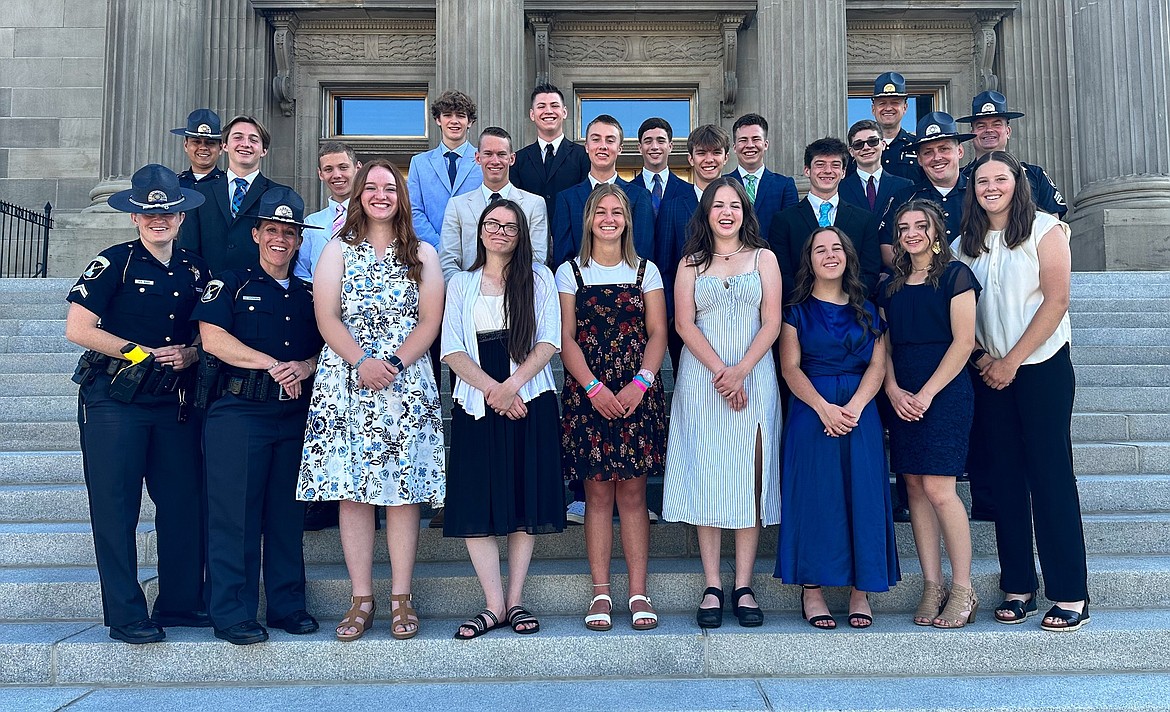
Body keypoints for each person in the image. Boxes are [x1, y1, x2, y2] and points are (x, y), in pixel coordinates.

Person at [296, 160, 446, 641]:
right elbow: (326, 316)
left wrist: (395, 365)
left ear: (401, 195)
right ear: (359, 194)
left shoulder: (422, 252)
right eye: (372, 187)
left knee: (402, 495)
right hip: (348, 380)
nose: (380, 194)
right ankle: (361, 597)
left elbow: (429, 320)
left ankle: (402, 597)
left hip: (404, 383)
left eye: (390, 187)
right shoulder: (338, 248)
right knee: (354, 492)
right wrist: (362, 361)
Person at [64, 164, 209, 644]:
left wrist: (190, 352)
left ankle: (180, 603)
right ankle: (126, 615)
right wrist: (136, 352)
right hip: (115, 402)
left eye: (166, 211)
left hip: (172, 404)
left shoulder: (194, 268)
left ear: (180, 216)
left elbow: (205, 335)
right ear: (135, 217)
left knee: (183, 503)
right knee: (116, 508)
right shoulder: (113, 262)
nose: (158, 219)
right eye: (149, 213)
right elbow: (78, 329)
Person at [955, 151, 1090, 632]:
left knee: (1051, 476)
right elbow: (959, 314)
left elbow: (1057, 300)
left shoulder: (1045, 231)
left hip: (1042, 368)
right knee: (1004, 480)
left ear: (1017, 182)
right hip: (988, 371)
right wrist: (984, 360)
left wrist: (1011, 361)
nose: (991, 187)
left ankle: (1070, 592)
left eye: (1000, 178)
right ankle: (1019, 586)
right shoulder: (962, 245)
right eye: (982, 180)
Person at [195, 187, 324, 645]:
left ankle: (289, 606)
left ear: (299, 241)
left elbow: (323, 349)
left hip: (292, 415)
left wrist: (304, 367)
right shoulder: (230, 282)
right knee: (236, 516)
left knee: (287, 516)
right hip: (238, 412)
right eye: (272, 230)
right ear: (256, 233)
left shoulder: (310, 293)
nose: (281, 240)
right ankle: (232, 613)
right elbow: (212, 338)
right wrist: (270, 365)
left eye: (290, 233)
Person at [662, 177, 782, 629]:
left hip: (754, 379)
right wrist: (721, 372)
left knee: (749, 479)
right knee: (708, 475)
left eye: (734, 205)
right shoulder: (690, 263)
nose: (726, 212)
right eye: (718, 205)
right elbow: (683, 323)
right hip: (703, 381)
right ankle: (713, 583)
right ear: (706, 214)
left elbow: (771, 322)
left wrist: (741, 370)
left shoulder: (764, 258)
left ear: (744, 212)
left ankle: (744, 584)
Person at [441, 199, 564, 638]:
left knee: (522, 497)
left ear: (521, 235)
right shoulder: (461, 283)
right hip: (478, 398)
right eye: (492, 224)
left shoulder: (539, 278)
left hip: (529, 395)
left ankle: (515, 601)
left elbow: (549, 340)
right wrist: (494, 390)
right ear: (479, 231)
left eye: (510, 227)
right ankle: (492, 604)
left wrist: (512, 386)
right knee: (478, 499)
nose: (500, 231)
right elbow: (452, 348)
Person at [775, 226, 899, 630]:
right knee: (817, 497)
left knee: (861, 495)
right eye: (819, 250)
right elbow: (790, 368)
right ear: (808, 260)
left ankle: (860, 590)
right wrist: (824, 408)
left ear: (847, 256)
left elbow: (878, 365)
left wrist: (855, 407)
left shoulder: (868, 307)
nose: (829, 255)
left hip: (859, 414)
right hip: (812, 414)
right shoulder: (794, 311)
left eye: (836, 248)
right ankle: (812, 590)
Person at [557, 184, 668, 632]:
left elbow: (658, 332)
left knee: (635, 493)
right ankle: (601, 592)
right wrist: (593, 388)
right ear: (588, 218)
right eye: (600, 211)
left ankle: (638, 592)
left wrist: (642, 382)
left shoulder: (646, 270)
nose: (608, 218)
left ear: (627, 219)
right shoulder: (570, 272)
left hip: (637, 391)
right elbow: (565, 337)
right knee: (598, 494)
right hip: (590, 395)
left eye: (617, 211)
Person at [877, 199, 979, 628]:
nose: (912, 233)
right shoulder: (889, 286)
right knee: (914, 488)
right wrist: (894, 390)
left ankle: (963, 588)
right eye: (904, 228)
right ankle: (931, 585)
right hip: (901, 391)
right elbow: (883, 347)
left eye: (921, 226)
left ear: (936, 232)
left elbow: (963, 342)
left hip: (945, 390)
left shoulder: (957, 276)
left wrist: (928, 393)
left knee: (939, 488)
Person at [769, 137, 882, 304]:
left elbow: (869, 272)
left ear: (843, 172)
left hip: (852, 313)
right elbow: (782, 273)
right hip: (801, 315)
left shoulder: (864, 220)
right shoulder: (784, 221)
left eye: (835, 165)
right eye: (820, 164)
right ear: (807, 170)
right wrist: (808, 308)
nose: (828, 170)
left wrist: (844, 304)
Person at [655, 124, 730, 371]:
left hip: (731, 316)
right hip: (686, 319)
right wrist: (671, 314)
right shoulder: (673, 206)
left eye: (716, 153)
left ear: (726, 158)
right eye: (701, 153)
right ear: (690, 158)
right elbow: (665, 266)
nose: (709, 160)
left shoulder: (739, 204)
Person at [179, 115, 289, 273]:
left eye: (253, 139)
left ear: (264, 150)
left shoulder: (280, 195)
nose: (245, 144)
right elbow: (188, 249)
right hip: (208, 289)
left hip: (260, 290)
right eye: (238, 137)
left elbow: (287, 250)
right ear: (224, 145)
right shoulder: (199, 193)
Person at [440, 126, 549, 281]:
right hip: (469, 298)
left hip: (518, 295)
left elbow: (537, 260)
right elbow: (448, 262)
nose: (495, 161)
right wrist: (465, 294)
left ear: (512, 159)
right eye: (488, 154)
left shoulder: (534, 204)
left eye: (501, 154)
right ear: (478, 158)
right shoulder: (457, 206)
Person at [551, 114, 655, 266]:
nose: (603, 146)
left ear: (620, 149)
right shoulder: (566, 199)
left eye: (610, 140)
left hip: (628, 285)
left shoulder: (639, 196)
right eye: (596, 139)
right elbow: (563, 258)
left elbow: (643, 254)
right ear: (586, 146)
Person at [878, 112, 976, 263]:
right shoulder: (905, 198)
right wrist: (919, 274)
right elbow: (887, 247)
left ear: (960, 151)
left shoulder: (980, 192)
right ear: (919, 159)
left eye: (944, 149)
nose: (937, 158)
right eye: (928, 152)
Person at [957, 91, 1066, 218]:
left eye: (996, 124)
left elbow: (1053, 222)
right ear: (972, 134)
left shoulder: (1035, 175)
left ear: (1008, 131)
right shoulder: (960, 178)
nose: (989, 130)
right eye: (981, 126)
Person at [407, 90, 483, 252]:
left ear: (470, 122)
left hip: (478, 252)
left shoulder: (484, 161)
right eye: (448, 115)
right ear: (438, 120)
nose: (454, 121)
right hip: (432, 251)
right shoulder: (419, 163)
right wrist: (438, 245)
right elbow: (414, 210)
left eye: (461, 116)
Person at [512, 83, 591, 222]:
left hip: (572, 238)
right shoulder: (518, 160)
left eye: (554, 106)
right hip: (529, 238)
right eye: (541, 106)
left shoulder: (583, 156)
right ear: (532, 114)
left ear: (564, 112)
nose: (548, 111)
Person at [295, 140, 362, 281]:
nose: (336, 175)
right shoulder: (311, 223)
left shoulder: (373, 219)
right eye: (328, 169)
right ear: (320, 174)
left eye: (343, 167)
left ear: (358, 168)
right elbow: (301, 270)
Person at [724, 113, 798, 239]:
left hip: (772, 256)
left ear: (765, 144)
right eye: (743, 140)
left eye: (756, 139)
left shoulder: (784, 186)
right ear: (735, 147)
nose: (750, 145)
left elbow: (791, 232)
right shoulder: (722, 184)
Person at [840, 119, 913, 216]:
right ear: (851, 151)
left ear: (883, 145)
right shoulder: (840, 188)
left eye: (872, 141)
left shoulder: (904, 186)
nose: (866, 147)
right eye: (858, 144)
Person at [869, 71, 925, 182]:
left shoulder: (917, 146)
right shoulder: (861, 148)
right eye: (882, 103)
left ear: (905, 107)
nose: (888, 108)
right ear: (873, 109)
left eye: (895, 102)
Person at [631, 117, 690, 215]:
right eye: (648, 141)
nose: (654, 147)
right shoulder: (627, 191)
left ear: (670, 147)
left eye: (661, 141)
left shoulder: (688, 191)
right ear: (640, 148)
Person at [171, 108, 225, 188]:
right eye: (196, 142)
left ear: (220, 148)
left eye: (210, 143)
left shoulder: (228, 185)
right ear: (186, 145)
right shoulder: (174, 184)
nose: (203, 147)